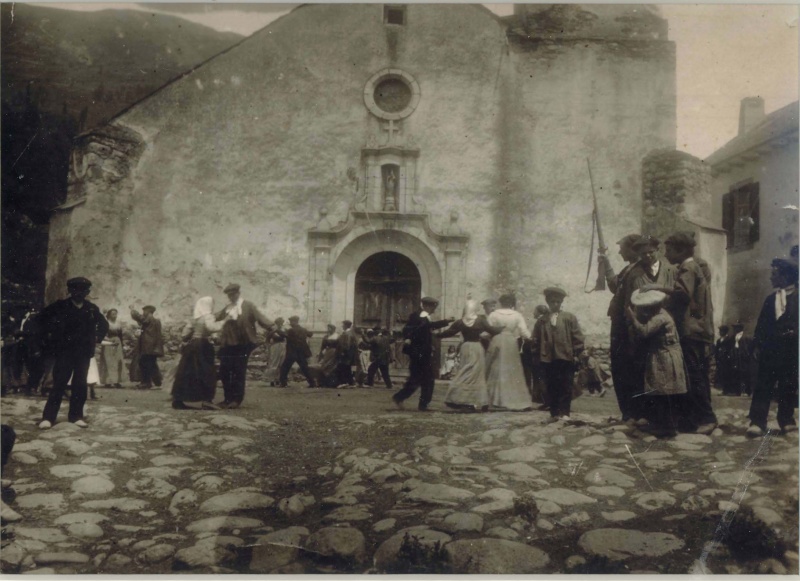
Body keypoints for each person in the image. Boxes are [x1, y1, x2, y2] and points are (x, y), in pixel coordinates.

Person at [645, 232, 717, 434]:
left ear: (682, 250)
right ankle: (692, 420)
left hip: (692, 330)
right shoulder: (691, 267)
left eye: (669, 250)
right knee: (694, 374)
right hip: (697, 330)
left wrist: (658, 288)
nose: (666, 254)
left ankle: (707, 418)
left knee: (694, 376)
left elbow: (682, 294)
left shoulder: (688, 267)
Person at [37, 277, 109, 429]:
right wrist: (50, 338)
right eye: (75, 290)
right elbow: (41, 319)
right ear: (70, 291)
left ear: (87, 292)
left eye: (83, 291)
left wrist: (97, 337)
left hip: (83, 353)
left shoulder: (91, 308)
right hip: (64, 352)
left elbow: (104, 324)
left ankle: (76, 416)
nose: (79, 293)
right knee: (59, 384)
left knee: (80, 384)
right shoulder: (60, 306)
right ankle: (48, 418)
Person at [746, 257, 798, 437]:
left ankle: (787, 419)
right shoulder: (770, 300)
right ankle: (757, 421)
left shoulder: (798, 298)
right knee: (763, 384)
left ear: (785, 276)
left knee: (789, 383)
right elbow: (761, 326)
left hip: (791, 350)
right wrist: (758, 345)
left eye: (774, 274)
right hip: (770, 349)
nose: (770, 278)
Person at [626, 289, 687, 438]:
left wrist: (632, 317)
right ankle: (663, 424)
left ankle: (666, 427)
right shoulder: (663, 314)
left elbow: (644, 332)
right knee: (663, 392)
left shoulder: (660, 318)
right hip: (664, 354)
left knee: (663, 392)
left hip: (664, 356)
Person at [599, 233, 642, 423]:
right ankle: (627, 413)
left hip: (627, 328)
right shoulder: (629, 269)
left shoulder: (638, 271)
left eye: (622, 248)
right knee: (619, 369)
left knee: (627, 369)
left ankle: (632, 413)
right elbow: (616, 285)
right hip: (620, 325)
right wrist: (606, 263)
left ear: (633, 249)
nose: (619, 251)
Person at [215, 284, 274, 408]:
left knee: (238, 371)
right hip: (227, 344)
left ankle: (236, 400)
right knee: (224, 371)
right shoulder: (228, 308)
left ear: (238, 293)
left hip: (243, 343)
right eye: (229, 295)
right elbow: (216, 317)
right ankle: (227, 399)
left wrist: (272, 326)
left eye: (233, 294)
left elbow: (260, 318)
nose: (231, 297)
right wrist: (203, 318)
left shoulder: (248, 306)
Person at [438, 298, 503, 411]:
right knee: (476, 374)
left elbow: (449, 332)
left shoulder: (460, 322)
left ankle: (460, 398)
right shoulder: (480, 320)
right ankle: (475, 401)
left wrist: (436, 335)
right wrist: (504, 327)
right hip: (477, 347)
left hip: (466, 347)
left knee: (465, 371)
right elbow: (493, 330)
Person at [531, 287, 585, 422]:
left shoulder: (569, 318)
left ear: (561, 302)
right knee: (551, 385)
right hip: (547, 358)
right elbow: (535, 339)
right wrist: (536, 355)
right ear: (548, 302)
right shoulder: (542, 320)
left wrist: (578, 353)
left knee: (566, 384)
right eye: (552, 302)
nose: (555, 304)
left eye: (557, 302)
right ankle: (554, 413)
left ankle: (565, 412)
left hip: (565, 356)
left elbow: (577, 336)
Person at [392, 297, 453, 411]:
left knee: (422, 379)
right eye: (433, 307)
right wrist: (408, 338)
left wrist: (446, 321)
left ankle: (413, 401)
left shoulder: (424, 316)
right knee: (422, 379)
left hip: (422, 353)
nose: (434, 310)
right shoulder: (417, 316)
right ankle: (409, 400)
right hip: (418, 353)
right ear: (427, 306)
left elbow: (428, 327)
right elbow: (408, 329)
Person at [171, 297, 228, 410]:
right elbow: (212, 328)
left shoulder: (195, 319)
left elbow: (184, 334)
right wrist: (225, 321)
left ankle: (178, 400)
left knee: (187, 372)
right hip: (203, 345)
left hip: (191, 346)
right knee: (206, 372)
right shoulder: (208, 317)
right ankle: (207, 400)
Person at [485, 294, 534, 411]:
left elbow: (487, 330)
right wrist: (531, 338)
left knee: (496, 368)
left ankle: (496, 399)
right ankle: (512, 398)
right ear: (512, 303)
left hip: (497, 340)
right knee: (512, 369)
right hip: (510, 342)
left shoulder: (494, 314)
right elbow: (524, 331)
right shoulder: (517, 315)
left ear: (501, 303)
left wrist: (486, 337)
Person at [130, 305, 164, 390]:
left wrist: (133, 310)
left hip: (148, 346)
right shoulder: (156, 321)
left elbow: (140, 318)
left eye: (144, 311)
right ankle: (156, 382)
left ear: (148, 312)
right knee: (151, 364)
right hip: (153, 347)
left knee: (144, 363)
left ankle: (147, 383)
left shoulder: (149, 319)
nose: (143, 313)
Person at [278, 316, 316, 388]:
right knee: (305, 368)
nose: (290, 323)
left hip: (292, 352)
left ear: (294, 322)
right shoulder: (303, 330)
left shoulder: (290, 330)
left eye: (291, 322)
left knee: (284, 368)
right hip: (301, 353)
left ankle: (283, 383)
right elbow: (310, 334)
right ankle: (312, 383)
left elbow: (283, 335)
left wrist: (277, 330)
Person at [529, 305, 551, 409]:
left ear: (539, 312)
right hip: (550, 353)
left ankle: (547, 402)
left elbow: (535, 339)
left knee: (541, 377)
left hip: (540, 354)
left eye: (534, 311)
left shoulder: (540, 322)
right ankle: (548, 402)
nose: (533, 313)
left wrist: (532, 347)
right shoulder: (549, 319)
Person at [97, 308, 125, 388]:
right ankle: (108, 381)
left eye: (116, 314)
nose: (115, 316)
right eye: (113, 314)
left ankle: (117, 381)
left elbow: (120, 335)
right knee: (108, 361)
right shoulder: (105, 323)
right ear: (109, 315)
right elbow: (102, 334)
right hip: (108, 343)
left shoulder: (118, 323)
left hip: (117, 343)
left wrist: (122, 345)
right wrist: (108, 340)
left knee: (118, 361)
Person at [729, 321, 754, 397]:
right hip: (736, 357)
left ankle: (748, 391)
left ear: (740, 328)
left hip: (744, 358)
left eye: (736, 328)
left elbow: (750, 347)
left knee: (746, 374)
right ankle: (737, 391)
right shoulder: (733, 337)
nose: (735, 329)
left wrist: (747, 354)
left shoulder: (746, 337)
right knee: (737, 373)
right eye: (734, 328)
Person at [335, 320, 359, 388]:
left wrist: (343, 352)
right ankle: (351, 382)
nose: (342, 326)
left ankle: (344, 382)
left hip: (346, 354)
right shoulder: (351, 333)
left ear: (346, 325)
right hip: (351, 354)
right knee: (349, 368)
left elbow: (346, 344)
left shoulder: (347, 333)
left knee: (343, 367)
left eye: (343, 325)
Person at [265, 318, 286, 387]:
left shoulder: (283, 330)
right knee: (274, 362)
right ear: (276, 323)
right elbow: (267, 339)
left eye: (281, 323)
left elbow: (285, 336)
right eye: (279, 323)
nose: (281, 324)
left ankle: (277, 379)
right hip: (275, 346)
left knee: (281, 362)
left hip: (282, 346)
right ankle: (272, 380)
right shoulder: (273, 330)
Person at [714, 325, 733, 394]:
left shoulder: (729, 339)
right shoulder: (719, 340)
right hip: (720, 359)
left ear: (725, 332)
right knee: (721, 374)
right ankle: (723, 389)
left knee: (727, 374)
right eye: (720, 331)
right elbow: (716, 350)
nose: (720, 332)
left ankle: (727, 390)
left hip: (726, 359)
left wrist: (726, 355)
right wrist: (717, 357)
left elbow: (730, 349)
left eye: (721, 331)